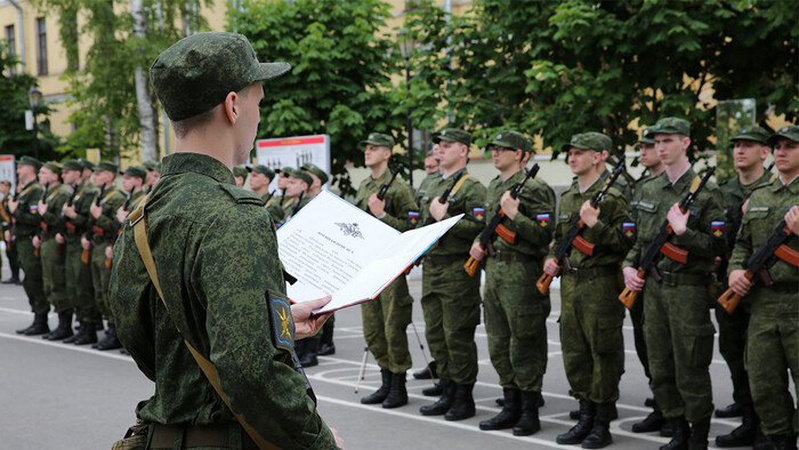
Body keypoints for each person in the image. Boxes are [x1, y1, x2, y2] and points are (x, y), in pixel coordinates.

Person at [107, 32, 342, 449]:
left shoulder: (143, 214)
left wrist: (273, 325)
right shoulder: (234, 215)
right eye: (258, 101)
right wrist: (322, 444)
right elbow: (254, 375)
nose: (258, 113)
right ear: (233, 106)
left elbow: (152, 346)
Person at [623, 117, 726, 450]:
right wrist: (628, 266)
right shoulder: (648, 189)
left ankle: (698, 433)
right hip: (652, 289)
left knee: (690, 364)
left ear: (686, 143)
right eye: (657, 141)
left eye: (668, 140)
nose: (661, 147)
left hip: (688, 290)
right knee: (660, 363)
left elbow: (719, 248)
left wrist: (685, 233)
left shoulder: (708, 192)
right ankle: (677, 427)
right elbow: (641, 240)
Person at [543, 132, 631, 448]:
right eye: (571, 152)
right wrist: (552, 258)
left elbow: (628, 244)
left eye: (580, 152)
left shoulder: (615, 197)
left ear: (599, 157)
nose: (572, 157)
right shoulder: (567, 196)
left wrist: (596, 225)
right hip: (571, 283)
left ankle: (601, 423)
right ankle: (584, 414)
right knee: (575, 352)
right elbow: (556, 237)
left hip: (600, 283)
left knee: (602, 352)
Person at [470, 131, 554, 436]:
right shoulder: (494, 186)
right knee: (499, 342)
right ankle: (510, 403)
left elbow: (545, 236)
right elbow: (488, 227)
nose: (495, 153)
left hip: (521, 274)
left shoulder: (535, 188)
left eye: (502, 149)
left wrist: (515, 215)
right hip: (494, 271)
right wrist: (480, 242)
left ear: (520, 154)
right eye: (493, 148)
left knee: (525, 342)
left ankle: (529, 409)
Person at [728, 125, 799, 450]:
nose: (782, 152)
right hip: (763, 305)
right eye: (778, 146)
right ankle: (779, 439)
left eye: (790, 146)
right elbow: (742, 244)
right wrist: (735, 272)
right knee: (764, 383)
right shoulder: (760, 195)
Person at [417, 128, 486, 421]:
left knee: (457, 335)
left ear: (464, 150)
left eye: (448, 145)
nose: (440, 149)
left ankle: (463, 396)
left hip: (458, 270)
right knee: (435, 333)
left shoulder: (473, 188)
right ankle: (446, 387)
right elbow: (421, 223)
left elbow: (480, 230)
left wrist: (446, 219)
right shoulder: (431, 182)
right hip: (432, 267)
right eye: (438, 145)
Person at [713, 126, 773, 448]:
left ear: (765, 153)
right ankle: (749, 419)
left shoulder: (775, 189)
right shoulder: (723, 191)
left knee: (764, 362)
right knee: (733, 353)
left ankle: (770, 425)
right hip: (730, 285)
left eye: (748, 145)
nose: (739, 151)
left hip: (764, 289)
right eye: (736, 145)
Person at [353, 132, 418, 409]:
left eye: (374, 147)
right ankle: (385, 380)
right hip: (369, 267)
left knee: (393, 328)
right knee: (373, 329)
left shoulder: (400, 188)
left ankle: (398, 386)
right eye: (366, 147)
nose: (368, 151)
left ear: (387, 153)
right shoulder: (365, 184)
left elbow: (413, 229)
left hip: (390, 268)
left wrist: (382, 215)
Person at [628, 128, 671, 436]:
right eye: (641, 146)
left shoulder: (681, 186)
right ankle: (660, 400)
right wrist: (627, 266)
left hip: (668, 281)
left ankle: (673, 409)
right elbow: (637, 237)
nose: (644, 151)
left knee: (673, 350)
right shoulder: (642, 187)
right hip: (641, 280)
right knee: (648, 346)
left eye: (650, 146)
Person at [84, 161, 126, 350]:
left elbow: (116, 227)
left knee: (107, 290)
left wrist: (98, 215)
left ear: (109, 176)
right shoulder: (100, 195)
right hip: (96, 246)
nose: (95, 177)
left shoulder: (116, 197)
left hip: (107, 246)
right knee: (99, 289)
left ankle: (115, 331)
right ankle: (110, 329)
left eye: (100, 174)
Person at [60, 159, 100, 345]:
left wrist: (73, 216)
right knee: (73, 285)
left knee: (83, 286)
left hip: (82, 243)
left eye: (67, 172)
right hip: (72, 242)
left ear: (78, 173)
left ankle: (89, 327)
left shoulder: (89, 192)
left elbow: (88, 221)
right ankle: (82, 325)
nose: (64, 175)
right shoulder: (76, 192)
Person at [9, 156, 48, 335]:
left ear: (30, 169)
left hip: (31, 240)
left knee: (34, 279)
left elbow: (36, 219)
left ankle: (41, 319)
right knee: (28, 280)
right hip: (21, 240)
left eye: (21, 168)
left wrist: (14, 210)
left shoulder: (36, 190)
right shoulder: (24, 190)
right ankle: (37, 317)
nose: (18, 171)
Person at [35, 162, 72, 341]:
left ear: (54, 176)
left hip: (55, 243)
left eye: (44, 172)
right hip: (46, 240)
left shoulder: (62, 194)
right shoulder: (48, 193)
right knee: (49, 282)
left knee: (57, 281)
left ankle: (65, 325)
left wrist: (44, 213)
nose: (40, 175)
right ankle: (60, 322)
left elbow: (61, 222)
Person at [0, 180, 21, 284]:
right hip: (5, 228)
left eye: (2, 185)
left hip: (10, 228)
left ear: (7, 187)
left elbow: (12, 216)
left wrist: (9, 229)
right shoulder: (4, 198)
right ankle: (14, 275)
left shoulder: (9, 199)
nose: (0, 187)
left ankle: (16, 276)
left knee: (13, 253)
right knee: (9, 253)